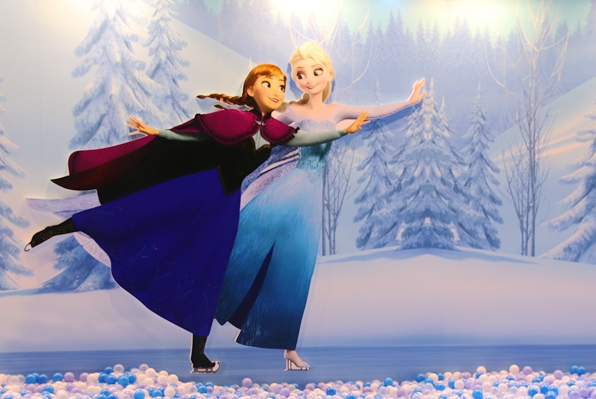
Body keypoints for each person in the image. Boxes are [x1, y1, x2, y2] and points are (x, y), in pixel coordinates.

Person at [25, 63, 368, 374]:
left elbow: (307, 137)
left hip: (224, 208)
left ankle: (198, 356)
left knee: (209, 275)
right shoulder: (233, 120)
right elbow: (191, 137)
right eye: (269, 83)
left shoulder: (275, 130)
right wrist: (156, 132)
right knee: (136, 211)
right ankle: (61, 227)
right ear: (251, 89)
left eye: (281, 85)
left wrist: (343, 131)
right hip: (200, 189)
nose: (278, 90)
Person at [214, 43, 424, 371]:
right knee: (244, 251)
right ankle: (209, 306)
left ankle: (288, 349)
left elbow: (373, 111)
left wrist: (409, 102)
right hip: (282, 189)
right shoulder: (289, 112)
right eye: (300, 74)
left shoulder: (336, 110)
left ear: (328, 74)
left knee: (295, 271)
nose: (309, 79)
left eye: (316, 71)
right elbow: (259, 126)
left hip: (309, 198)